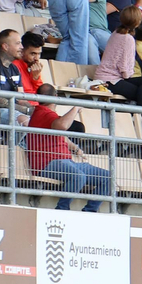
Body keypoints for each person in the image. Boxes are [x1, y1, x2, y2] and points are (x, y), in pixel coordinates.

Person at [26, 83, 112, 211]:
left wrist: (75, 148)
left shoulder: (46, 114)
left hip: (66, 161)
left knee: (108, 177)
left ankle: (89, 211)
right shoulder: (42, 113)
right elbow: (62, 126)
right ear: (55, 97)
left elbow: (62, 136)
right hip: (47, 163)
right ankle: (62, 209)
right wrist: (76, 107)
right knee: (78, 176)